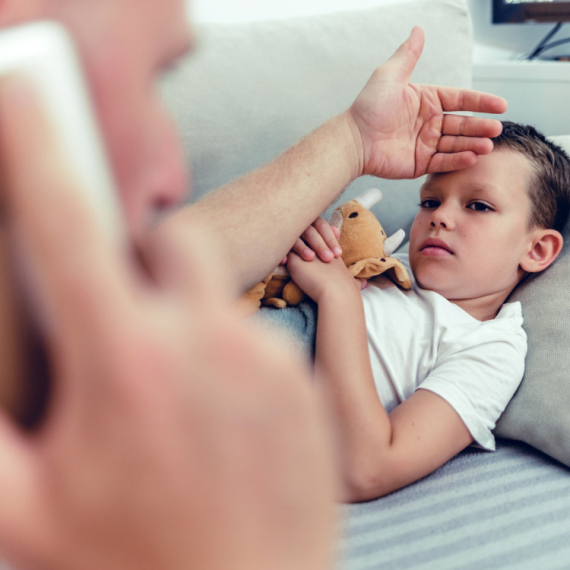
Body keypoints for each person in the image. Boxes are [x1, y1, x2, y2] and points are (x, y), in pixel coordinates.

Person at [0, 0, 509, 567]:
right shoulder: (397, 264)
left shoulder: (488, 337)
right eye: (431, 201)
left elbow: (148, 276)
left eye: (481, 206)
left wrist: (354, 145)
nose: (173, 176)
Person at [285, 121, 570, 502]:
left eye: (479, 206)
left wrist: (338, 296)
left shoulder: (489, 347)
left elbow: (366, 469)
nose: (439, 217)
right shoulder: (383, 259)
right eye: (430, 201)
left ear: (536, 250)